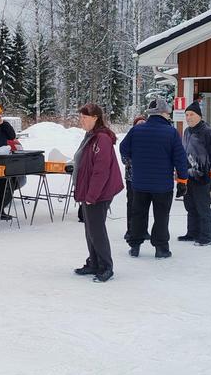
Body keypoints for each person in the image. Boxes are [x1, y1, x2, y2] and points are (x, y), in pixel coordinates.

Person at [119, 97, 188, 259]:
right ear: (163, 113)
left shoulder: (136, 130)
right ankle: (161, 248)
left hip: (139, 183)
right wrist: (182, 181)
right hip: (162, 185)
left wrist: (135, 159)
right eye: (168, 113)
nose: (169, 116)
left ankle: (135, 246)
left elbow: (123, 148)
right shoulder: (171, 133)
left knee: (138, 214)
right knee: (161, 216)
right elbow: (180, 159)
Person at [73, 103, 124, 283]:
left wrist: (92, 195)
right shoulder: (91, 136)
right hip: (90, 190)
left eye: (84, 117)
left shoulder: (101, 139)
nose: (81, 121)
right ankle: (94, 263)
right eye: (81, 117)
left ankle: (106, 266)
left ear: (95, 118)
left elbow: (101, 171)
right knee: (90, 229)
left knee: (96, 230)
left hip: (99, 192)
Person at [178, 100, 211, 246]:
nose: (188, 117)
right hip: (188, 175)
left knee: (202, 206)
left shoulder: (206, 132)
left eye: (191, 114)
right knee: (190, 206)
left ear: (199, 116)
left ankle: (207, 236)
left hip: (202, 175)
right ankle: (192, 233)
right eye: (187, 115)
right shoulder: (187, 132)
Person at [122, 115, 148, 242]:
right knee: (132, 204)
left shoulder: (149, 139)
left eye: (143, 123)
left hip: (145, 179)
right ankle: (130, 230)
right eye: (139, 123)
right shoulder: (130, 138)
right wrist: (136, 161)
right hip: (131, 178)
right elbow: (124, 158)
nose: (141, 125)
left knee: (145, 205)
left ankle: (144, 230)